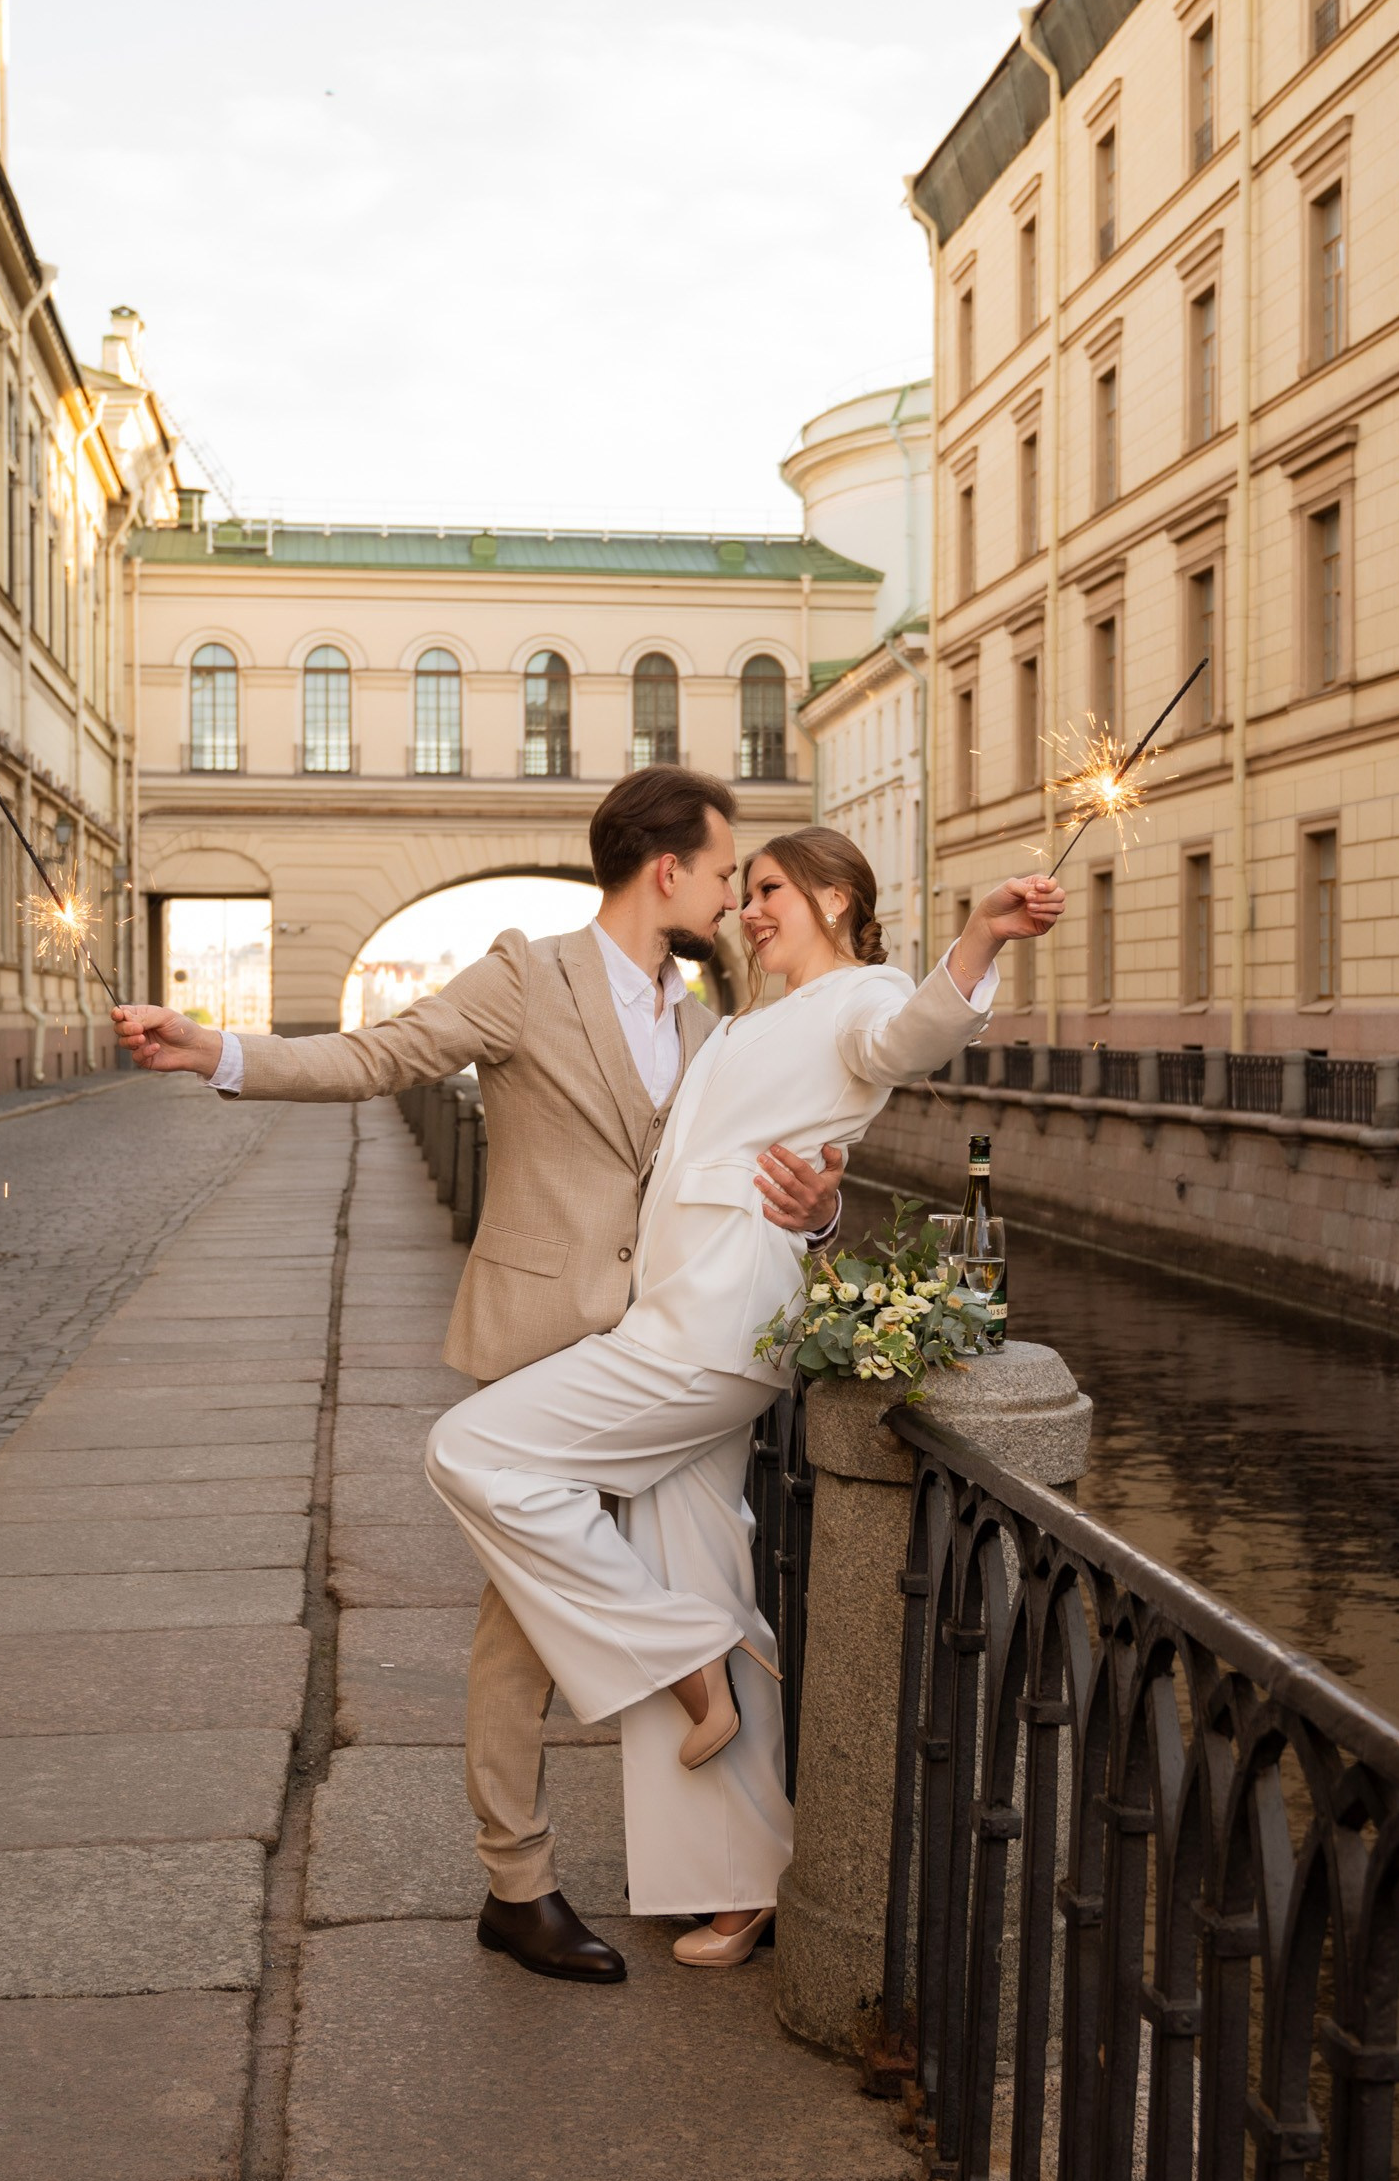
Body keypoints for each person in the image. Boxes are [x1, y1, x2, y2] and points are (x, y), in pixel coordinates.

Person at [109, 768, 846, 1984]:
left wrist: (818, 1217)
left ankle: (713, 1872)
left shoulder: (718, 1025)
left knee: (685, 1565)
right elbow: (377, 1055)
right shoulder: (526, 973)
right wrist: (217, 1051)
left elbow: (769, 1184)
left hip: (670, 1350)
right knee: (518, 1631)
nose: (730, 894)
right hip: (548, 1336)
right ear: (666, 869)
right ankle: (520, 1881)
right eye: (722, 870)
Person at [424, 828, 1064, 1968]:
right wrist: (820, 1206)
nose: (750, 911)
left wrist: (974, 939)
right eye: (745, 890)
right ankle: (739, 1875)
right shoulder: (741, 1023)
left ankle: (675, 1648)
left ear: (833, 895)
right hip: (685, 1310)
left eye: (768, 890)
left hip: (710, 1327)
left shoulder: (860, 995)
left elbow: (909, 1032)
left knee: (473, 1449)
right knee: (701, 1562)